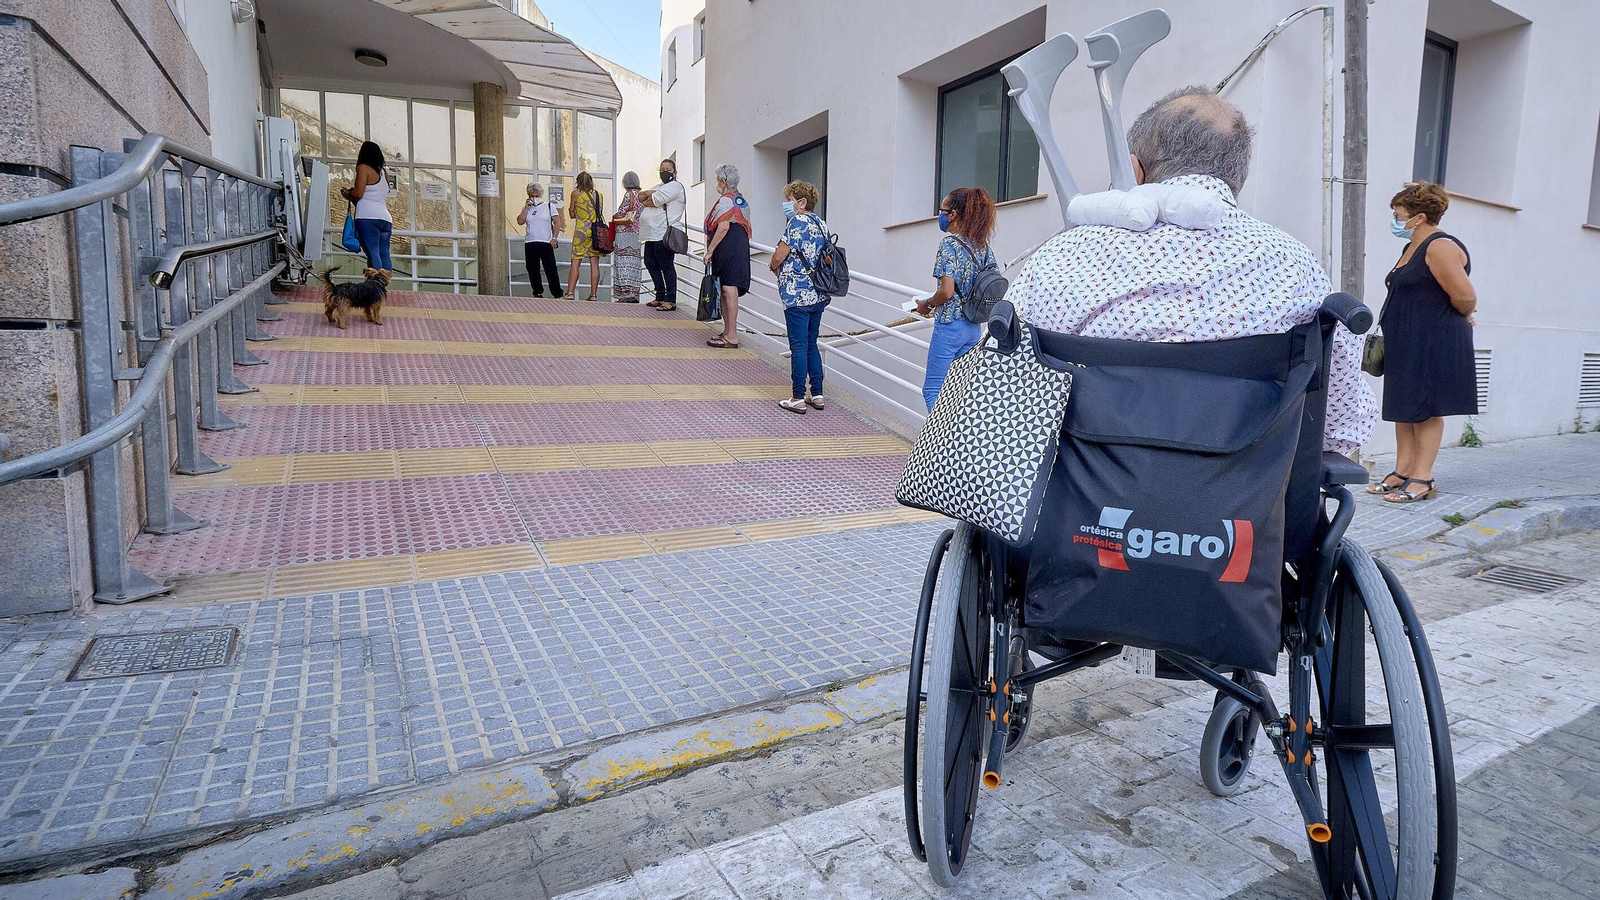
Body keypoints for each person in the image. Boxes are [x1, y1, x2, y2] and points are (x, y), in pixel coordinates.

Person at [1007, 85, 1379, 453]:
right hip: (1244, 504)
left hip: (1078, 500)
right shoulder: (1295, 265)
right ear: (1237, 180)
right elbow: (1338, 429)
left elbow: (1004, 394)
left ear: (1135, 170)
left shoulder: (1064, 256)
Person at [1366, 181, 1477, 504]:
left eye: (1400, 214)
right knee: (1405, 407)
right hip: (1406, 340)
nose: (1396, 219)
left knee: (1427, 409)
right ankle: (1402, 471)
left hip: (1433, 340)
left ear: (1421, 217)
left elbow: (1466, 297)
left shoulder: (1439, 246)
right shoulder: (1411, 245)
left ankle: (1423, 477)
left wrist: (1461, 314)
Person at [916, 187, 997, 410]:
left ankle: (939, 443)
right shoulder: (983, 246)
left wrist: (927, 304)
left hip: (950, 326)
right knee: (957, 393)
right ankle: (958, 441)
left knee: (933, 390)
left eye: (942, 211)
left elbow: (947, 291)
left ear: (952, 214)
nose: (940, 216)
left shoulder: (949, 245)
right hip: (973, 328)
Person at [769, 180, 830, 413]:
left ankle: (797, 397)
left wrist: (774, 264)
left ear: (802, 202)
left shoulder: (797, 222)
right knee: (811, 342)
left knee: (798, 344)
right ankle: (817, 394)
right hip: (818, 294)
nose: (787, 204)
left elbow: (779, 255)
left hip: (797, 294)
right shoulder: (821, 224)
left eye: (790, 200)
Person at [704, 164, 753, 348]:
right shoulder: (741, 200)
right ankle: (727, 331)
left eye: (718, 180)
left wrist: (709, 251)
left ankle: (731, 335)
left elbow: (723, 226)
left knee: (728, 289)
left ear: (723, 182)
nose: (717, 184)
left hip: (729, 246)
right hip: (737, 246)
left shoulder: (726, 200)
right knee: (726, 289)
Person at [640, 158, 688, 311]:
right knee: (650, 263)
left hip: (664, 232)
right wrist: (649, 194)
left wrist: (650, 195)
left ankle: (671, 299)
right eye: (662, 169)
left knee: (666, 265)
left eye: (668, 170)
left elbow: (654, 200)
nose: (664, 172)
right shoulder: (660, 186)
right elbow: (641, 199)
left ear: (674, 172)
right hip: (651, 233)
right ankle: (660, 295)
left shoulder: (675, 186)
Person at [340, 141, 392, 276]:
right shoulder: (383, 172)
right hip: (385, 218)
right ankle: (384, 284)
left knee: (372, 252)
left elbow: (358, 194)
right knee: (384, 253)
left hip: (368, 217)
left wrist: (347, 194)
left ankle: (374, 285)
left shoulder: (364, 168)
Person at [516, 181, 564, 298]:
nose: (534, 198)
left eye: (536, 196)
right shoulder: (526, 208)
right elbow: (520, 221)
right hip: (530, 242)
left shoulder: (549, 206)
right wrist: (526, 209)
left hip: (546, 242)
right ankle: (537, 292)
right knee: (532, 269)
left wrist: (554, 238)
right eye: (531, 196)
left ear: (541, 195)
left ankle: (557, 293)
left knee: (550, 268)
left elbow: (557, 222)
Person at [565, 171, 603, 301]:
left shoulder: (576, 194)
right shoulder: (599, 195)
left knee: (576, 262)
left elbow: (571, 213)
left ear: (578, 182)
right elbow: (598, 213)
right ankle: (593, 295)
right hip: (594, 233)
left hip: (581, 232)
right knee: (594, 263)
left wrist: (579, 214)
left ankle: (570, 293)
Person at [610, 172, 645, 303]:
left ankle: (625, 294)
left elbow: (621, 214)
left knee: (622, 262)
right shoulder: (641, 196)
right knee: (633, 263)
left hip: (624, 233)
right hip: (636, 233)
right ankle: (634, 293)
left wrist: (614, 217)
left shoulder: (628, 194)